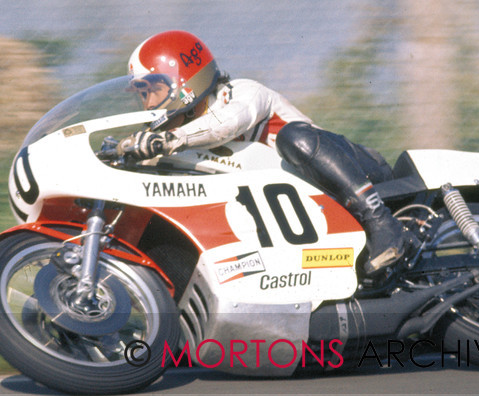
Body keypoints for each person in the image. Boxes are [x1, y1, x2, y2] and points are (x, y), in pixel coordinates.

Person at [116, 30, 406, 275]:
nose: (148, 105)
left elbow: (226, 124)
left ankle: (382, 221)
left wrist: (170, 139)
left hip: (360, 174)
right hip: (309, 223)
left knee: (294, 137)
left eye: (153, 91)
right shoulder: (179, 144)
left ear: (184, 81)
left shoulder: (242, 93)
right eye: (142, 96)